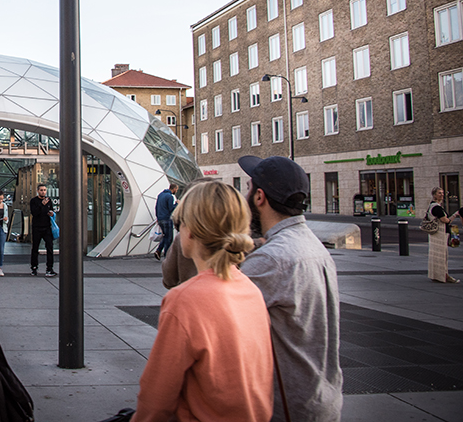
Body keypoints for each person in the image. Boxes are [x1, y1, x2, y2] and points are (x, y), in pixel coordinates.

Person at [131, 181, 273, 422]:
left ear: (192, 231)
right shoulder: (251, 290)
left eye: (181, 223)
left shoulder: (185, 301)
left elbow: (156, 398)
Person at [239, 155, 342, 422]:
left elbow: (218, 319)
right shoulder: (313, 246)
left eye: (248, 188)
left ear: (259, 197)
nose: (246, 195)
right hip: (321, 399)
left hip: (286, 408)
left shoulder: (271, 260)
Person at [426, 186, 460, 284]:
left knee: (436, 255)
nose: (442, 195)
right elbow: (444, 220)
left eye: (442, 193)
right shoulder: (436, 207)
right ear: (434, 195)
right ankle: (444, 275)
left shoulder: (433, 206)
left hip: (435, 234)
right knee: (442, 256)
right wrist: (452, 217)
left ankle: (436, 275)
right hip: (439, 234)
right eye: (439, 193)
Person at [29, 184, 56, 277]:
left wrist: (51, 213)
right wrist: (41, 204)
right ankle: (34, 267)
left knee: (50, 247)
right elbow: (34, 213)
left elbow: (51, 211)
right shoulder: (34, 201)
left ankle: (49, 268)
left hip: (47, 227)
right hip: (37, 227)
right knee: (35, 248)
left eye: (44, 190)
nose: (43, 192)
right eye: (41, 190)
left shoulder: (49, 201)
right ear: (37, 191)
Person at [154, 182, 179, 261]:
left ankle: (158, 250)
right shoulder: (170, 197)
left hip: (160, 218)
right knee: (169, 237)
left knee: (166, 236)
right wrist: (177, 204)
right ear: (174, 189)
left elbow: (156, 207)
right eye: (176, 190)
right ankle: (167, 255)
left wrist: (158, 217)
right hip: (167, 219)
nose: (176, 191)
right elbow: (171, 209)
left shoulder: (160, 195)